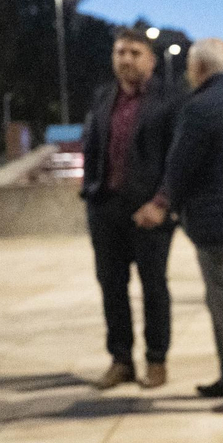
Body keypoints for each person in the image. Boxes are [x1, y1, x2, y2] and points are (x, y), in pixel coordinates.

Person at [132, 37, 223, 409]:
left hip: (213, 220)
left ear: (198, 68)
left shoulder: (198, 107)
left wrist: (160, 203)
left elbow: (181, 164)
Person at [80, 27, 184, 390]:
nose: (125, 59)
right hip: (106, 208)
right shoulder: (102, 97)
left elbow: (178, 158)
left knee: (154, 286)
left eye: (134, 52)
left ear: (151, 60)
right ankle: (120, 359)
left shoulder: (170, 100)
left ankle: (157, 360)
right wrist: (89, 192)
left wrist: (162, 202)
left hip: (150, 211)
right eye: (120, 52)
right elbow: (92, 146)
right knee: (111, 285)